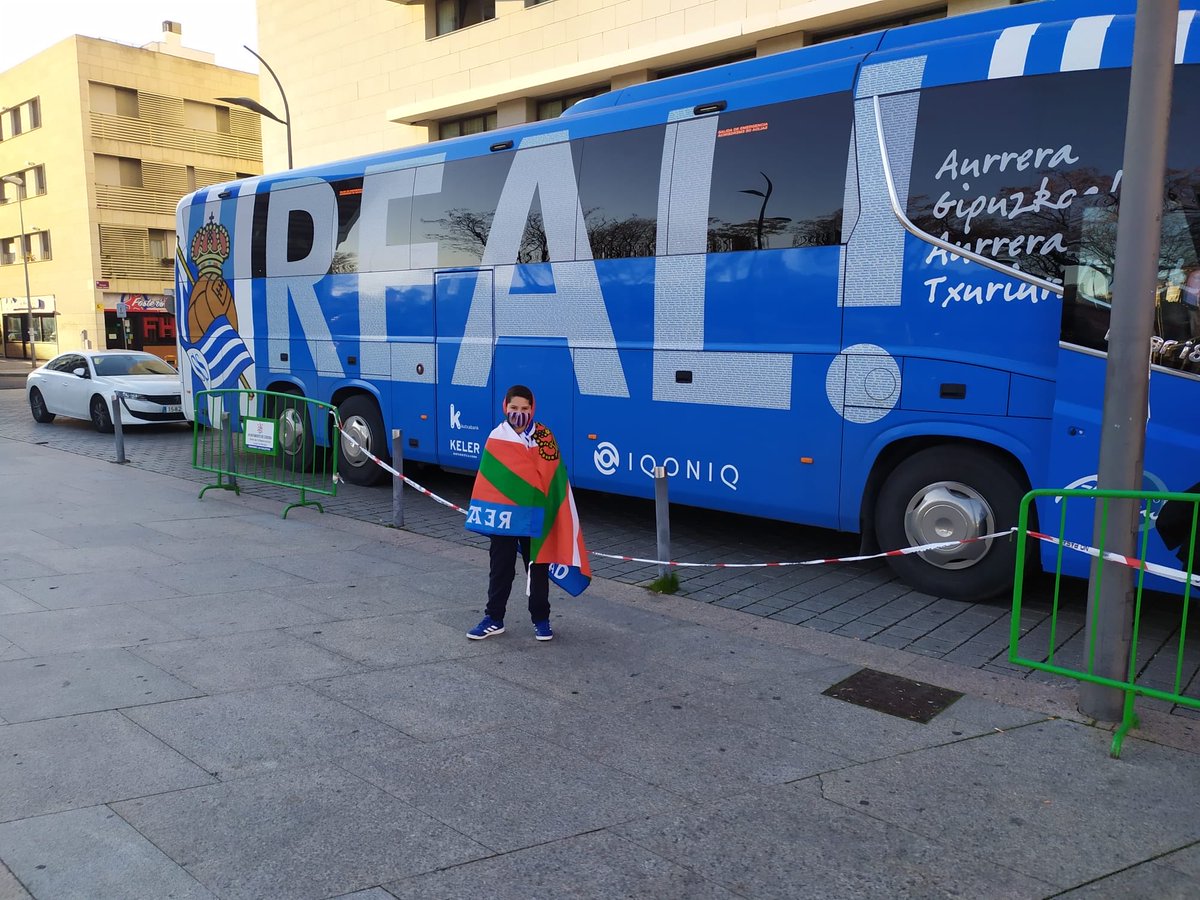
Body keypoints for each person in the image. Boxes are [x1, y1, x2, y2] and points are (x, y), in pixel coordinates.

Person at [464, 385, 591, 641]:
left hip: (537, 518)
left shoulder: (544, 436)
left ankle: (541, 619)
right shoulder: (496, 437)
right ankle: (494, 618)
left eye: (524, 408)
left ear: (532, 408)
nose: (519, 413)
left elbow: (555, 477)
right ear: (505, 407)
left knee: (537, 568)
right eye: (514, 408)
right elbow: (490, 480)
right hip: (505, 518)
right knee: (501, 568)